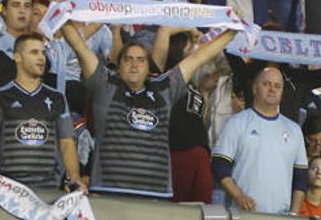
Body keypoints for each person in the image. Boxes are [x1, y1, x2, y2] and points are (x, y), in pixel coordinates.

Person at [61, 18, 236, 198]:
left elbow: (200, 56)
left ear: (148, 67)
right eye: (128, 59)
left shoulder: (165, 87)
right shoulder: (104, 84)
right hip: (109, 191)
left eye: (140, 60)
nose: (134, 64)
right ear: (118, 66)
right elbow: (78, 45)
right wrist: (62, 13)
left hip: (156, 194)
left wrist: (233, 30)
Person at [0, 33, 84, 191]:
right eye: (34, 52)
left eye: (43, 53)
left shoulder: (57, 98)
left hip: (48, 190)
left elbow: (67, 143)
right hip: (8, 190)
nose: (41, 58)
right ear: (17, 57)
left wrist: (75, 177)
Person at [211, 66, 308, 213]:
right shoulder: (237, 122)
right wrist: (239, 196)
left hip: (280, 218)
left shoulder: (294, 130)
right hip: (243, 214)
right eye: (266, 84)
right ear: (255, 88)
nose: (272, 89)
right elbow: (219, 166)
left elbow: (300, 178)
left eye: (277, 86)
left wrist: (293, 213)